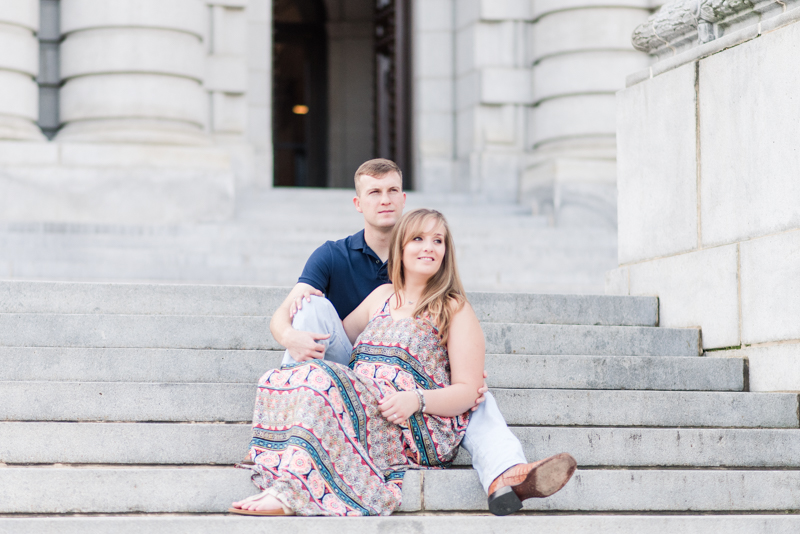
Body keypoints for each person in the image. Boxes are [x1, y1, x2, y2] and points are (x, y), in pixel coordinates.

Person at [233, 159, 576, 516]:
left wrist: (419, 398)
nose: (428, 247)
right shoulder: (378, 294)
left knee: (478, 397)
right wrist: (295, 339)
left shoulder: (454, 308)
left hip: (412, 420)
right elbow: (339, 347)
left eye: (437, 241)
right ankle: (288, 466)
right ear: (400, 247)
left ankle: (508, 471)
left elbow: (466, 389)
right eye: (418, 239)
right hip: (366, 402)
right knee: (305, 365)